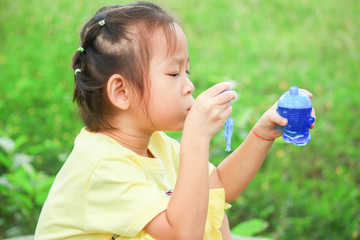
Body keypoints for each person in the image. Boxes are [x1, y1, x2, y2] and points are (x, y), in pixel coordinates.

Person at [35, 2, 315, 240]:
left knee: (209, 209)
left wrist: (262, 133)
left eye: (187, 71)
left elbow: (218, 185)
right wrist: (195, 138)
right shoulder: (102, 165)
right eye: (174, 74)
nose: (189, 85)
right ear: (122, 92)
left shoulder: (156, 144)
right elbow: (183, 235)